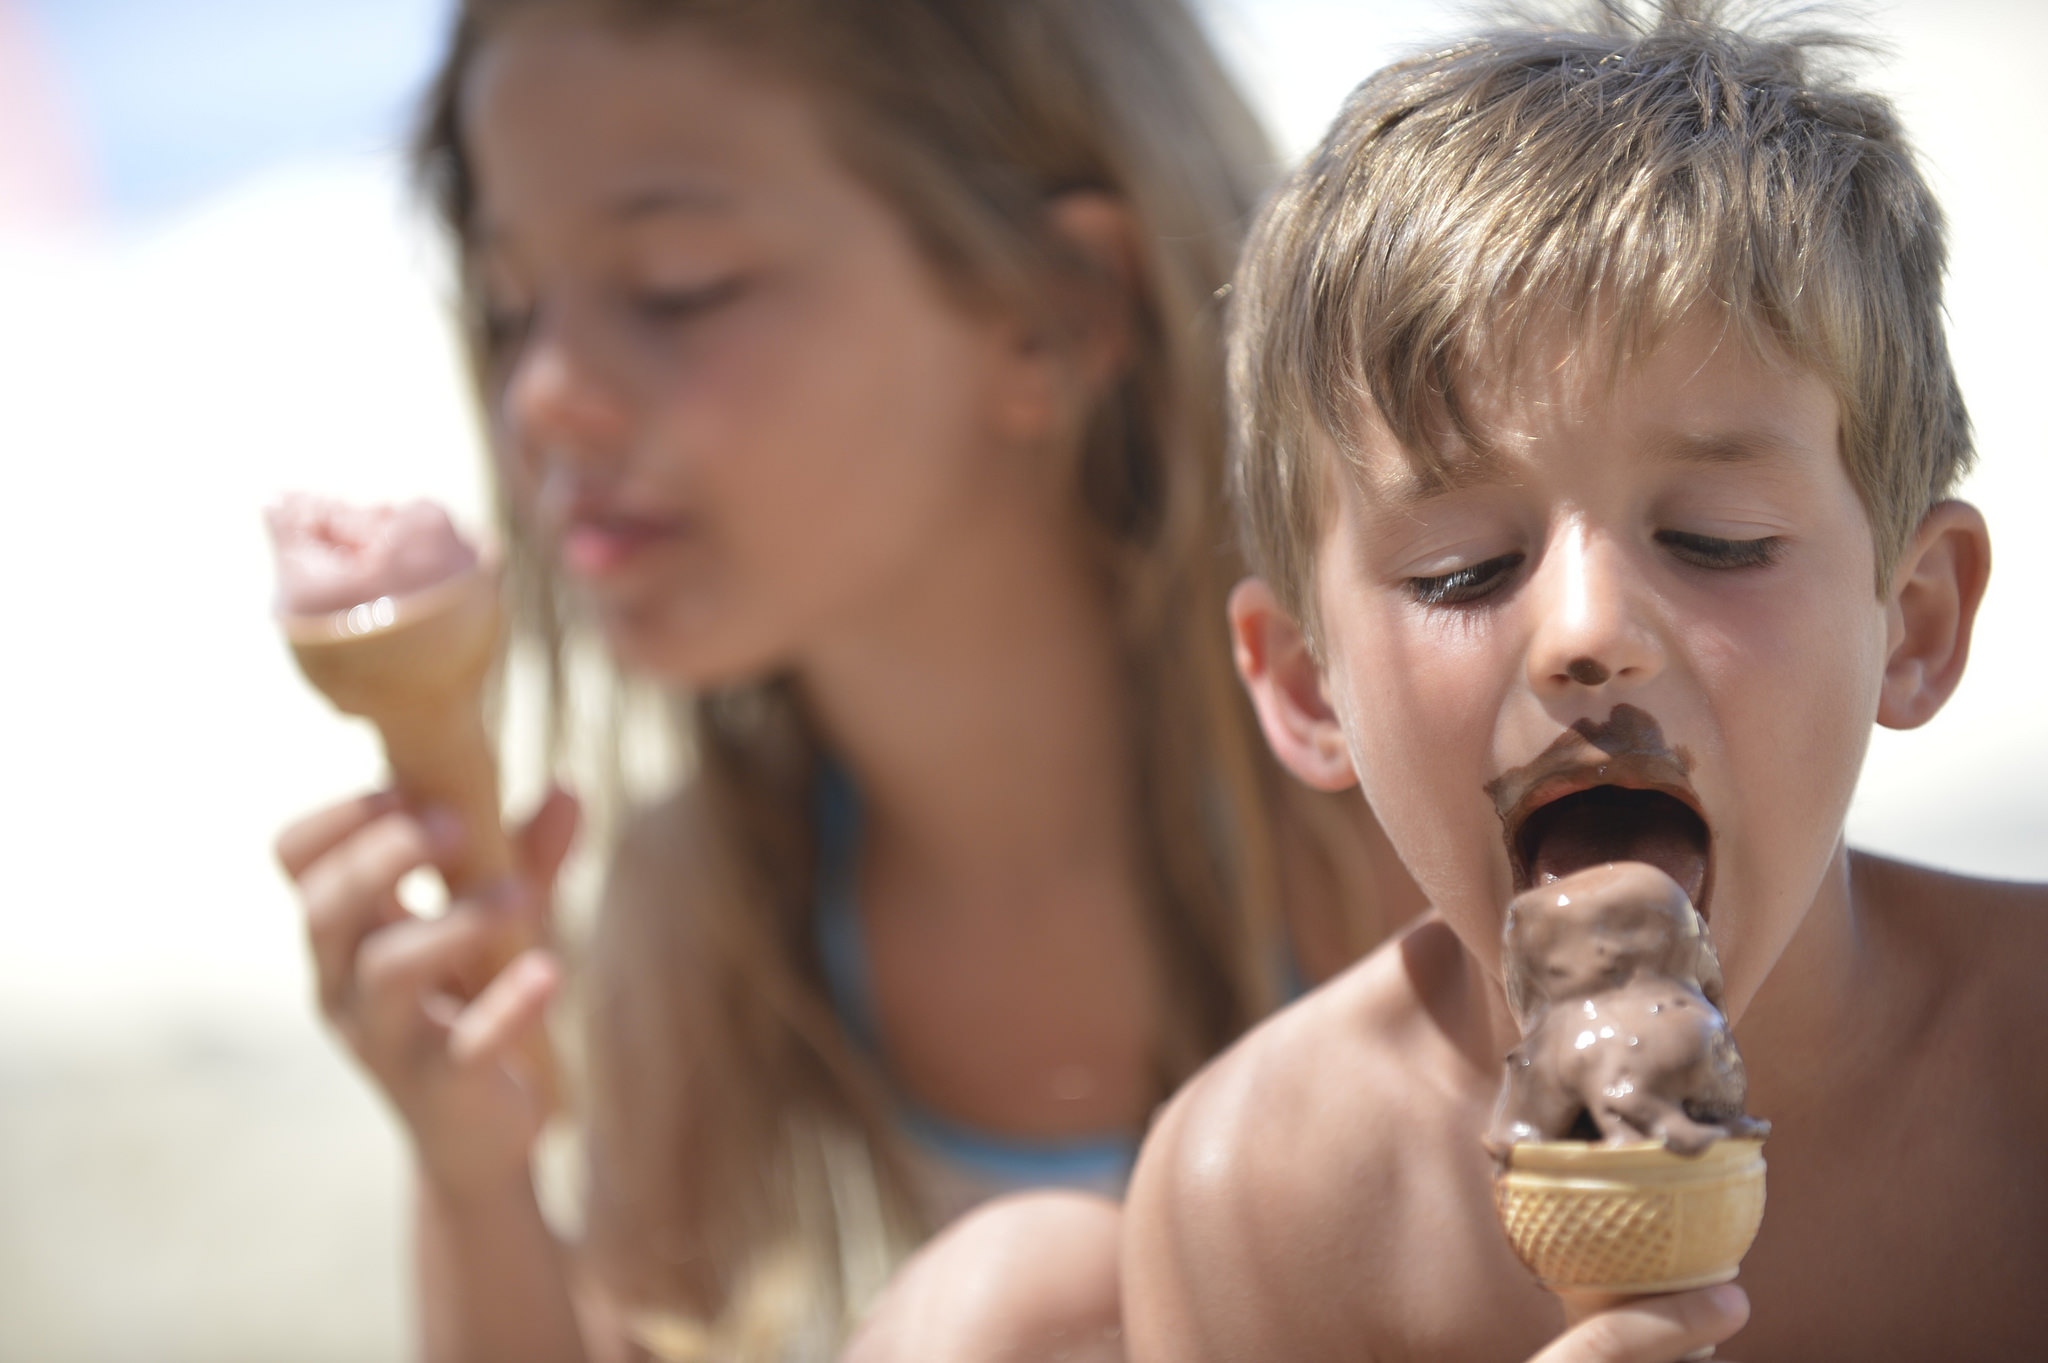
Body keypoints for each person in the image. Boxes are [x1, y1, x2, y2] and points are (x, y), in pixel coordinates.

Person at [273, 1, 1425, 1360]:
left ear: (1053, 313)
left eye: (676, 287)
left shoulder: (1387, 807)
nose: (539, 397)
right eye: (511, 307)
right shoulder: (716, 902)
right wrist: (475, 1178)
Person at [1108, 2, 2048, 1361]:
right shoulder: (1266, 1194)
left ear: (1911, 620)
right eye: (1462, 570)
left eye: (1716, 541)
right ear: (1310, 689)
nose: (1585, 632)